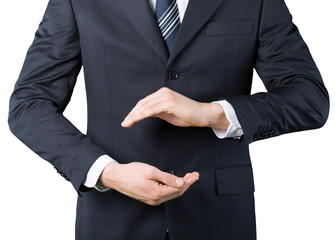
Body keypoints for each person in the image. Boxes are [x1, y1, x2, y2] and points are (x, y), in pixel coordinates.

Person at [8, 0, 329, 239]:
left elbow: (308, 97)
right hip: (113, 221)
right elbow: (29, 104)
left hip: (219, 220)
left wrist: (214, 113)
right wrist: (107, 172)